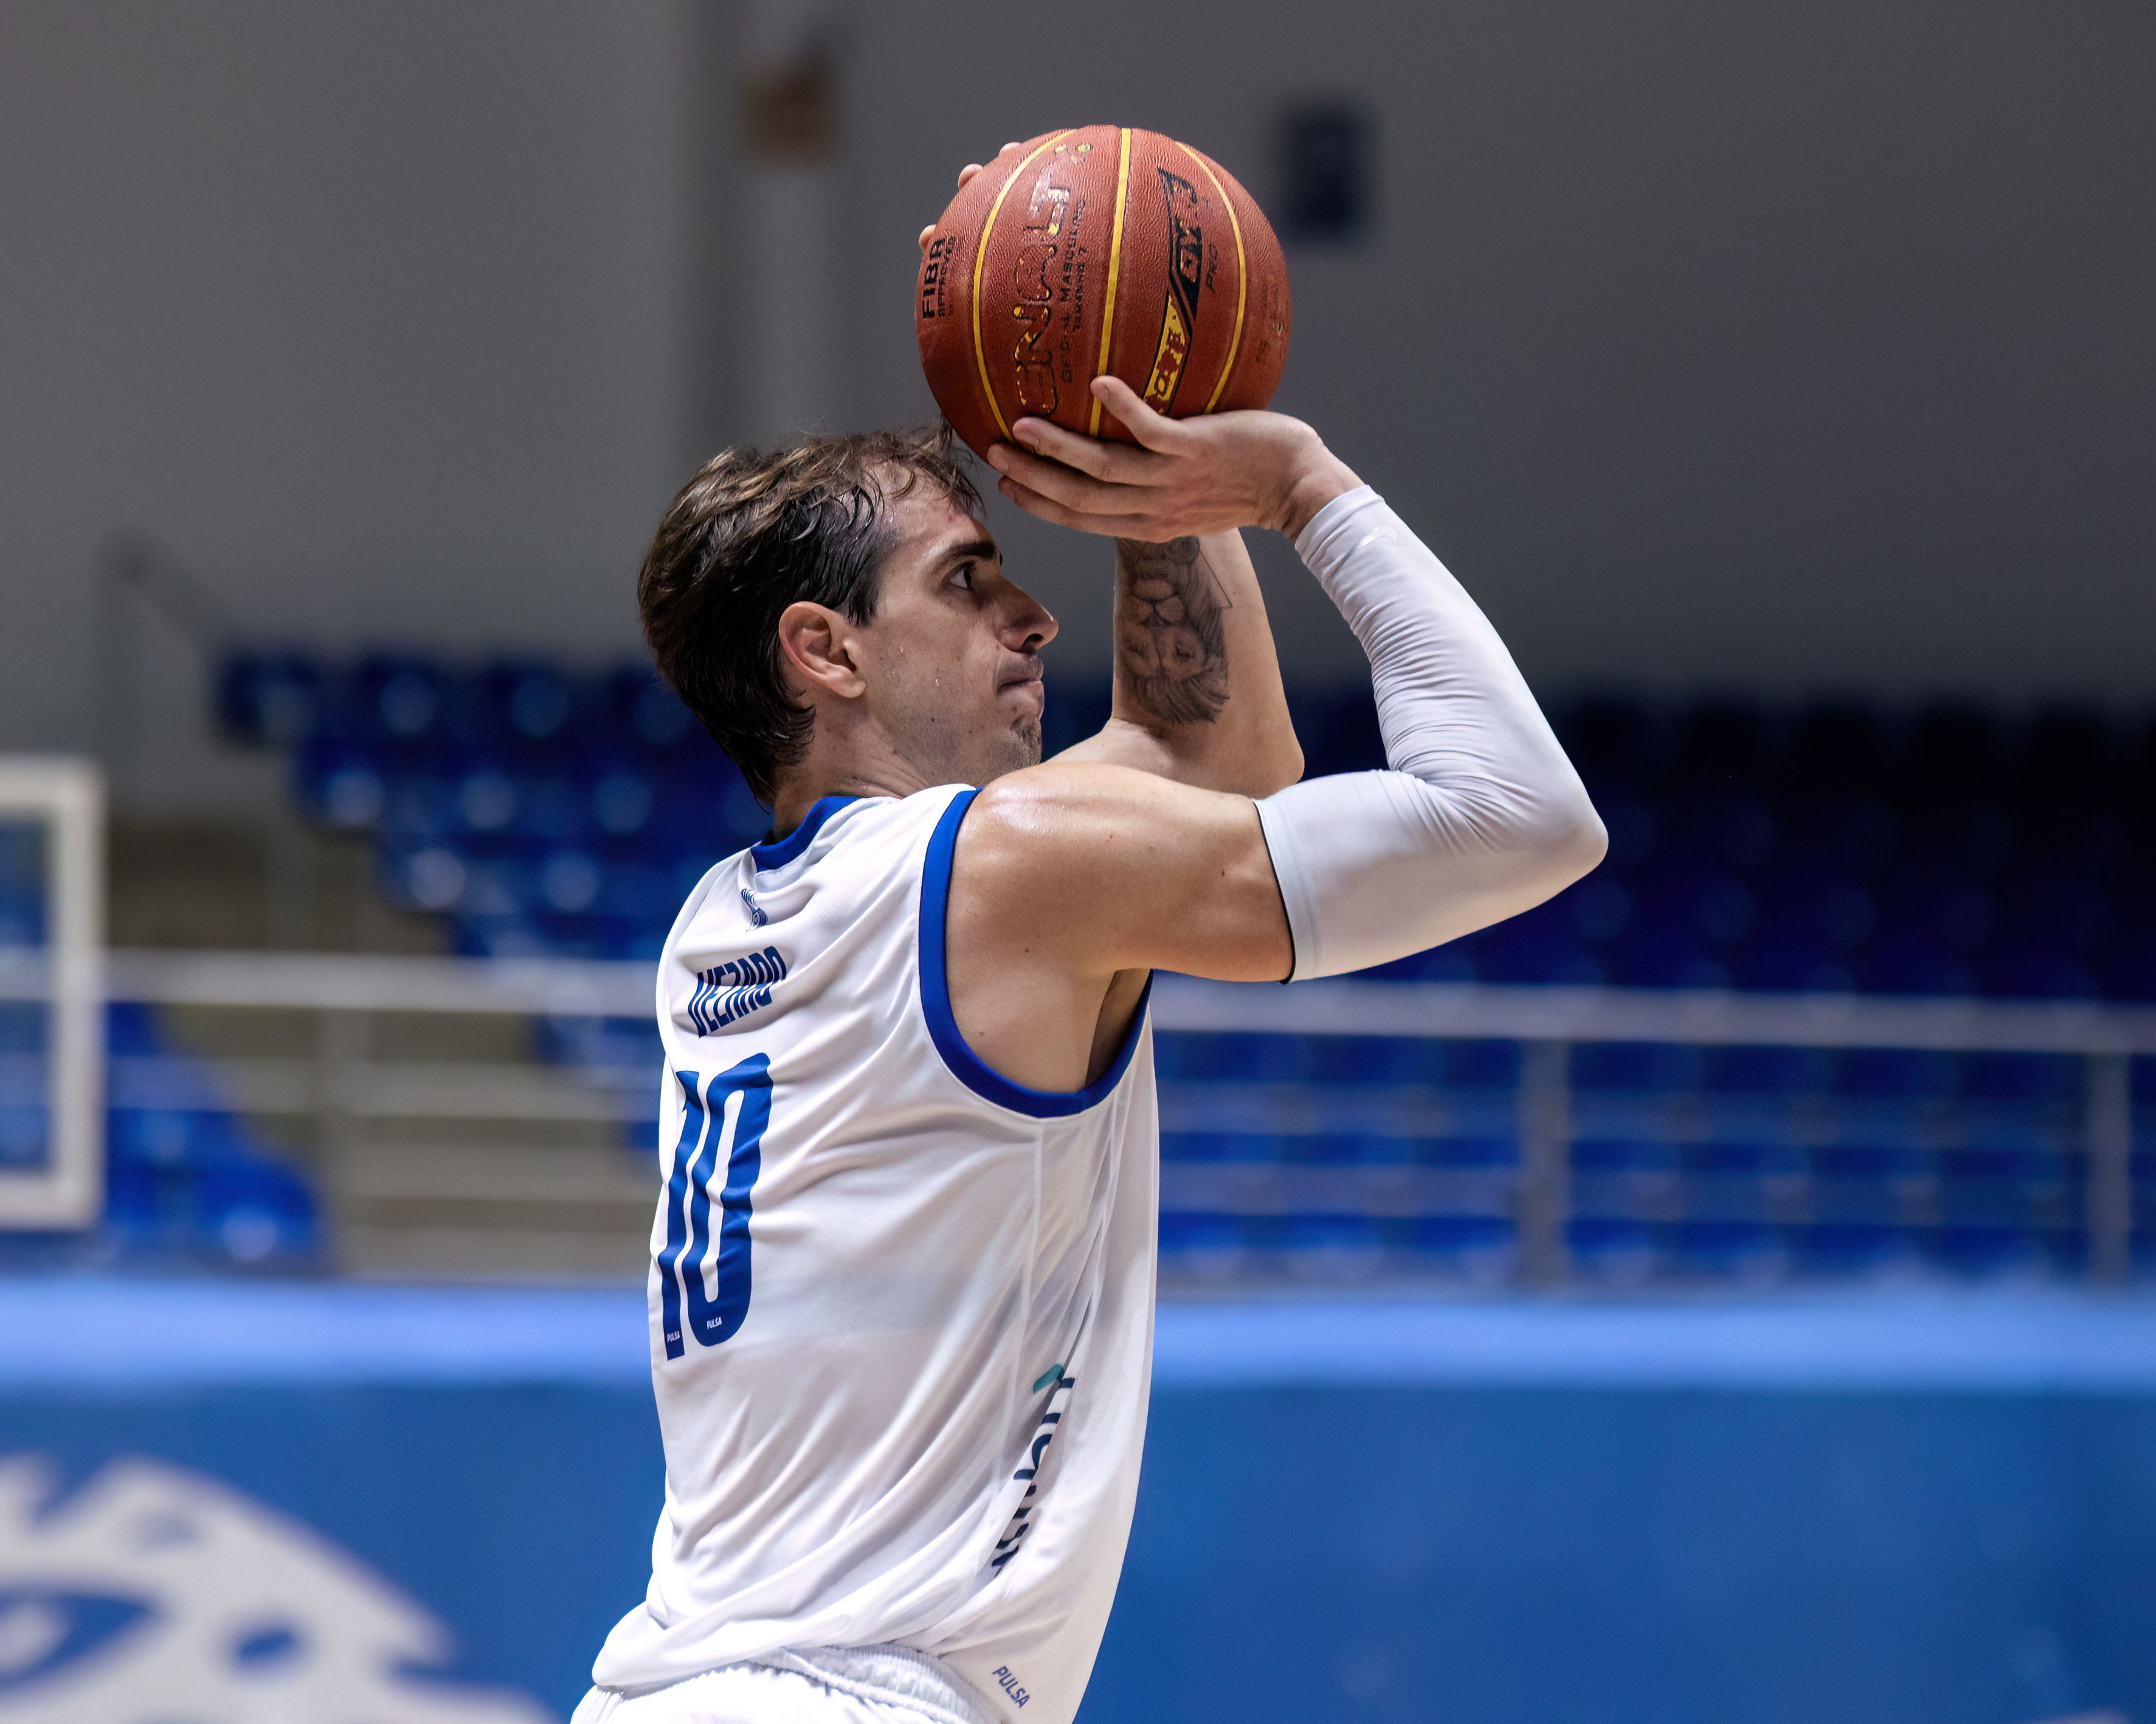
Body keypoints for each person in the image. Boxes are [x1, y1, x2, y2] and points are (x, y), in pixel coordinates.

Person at [575, 175, 1603, 1724]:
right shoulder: (999, 873)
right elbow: (1523, 814)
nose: (1030, 615)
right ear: (825, 648)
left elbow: (1211, 771)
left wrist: (1154, 490)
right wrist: (1303, 487)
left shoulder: (726, 921)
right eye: (965, 579)